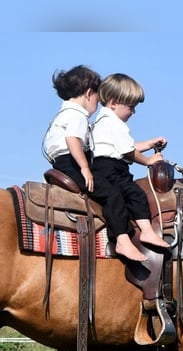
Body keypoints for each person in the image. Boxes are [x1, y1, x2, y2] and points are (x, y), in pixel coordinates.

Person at [90, 73, 170, 262]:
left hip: (106, 167)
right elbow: (127, 152)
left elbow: (125, 146)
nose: (133, 112)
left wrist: (150, 143)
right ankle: (135, 236)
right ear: (113, 103)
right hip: (111, 169)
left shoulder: (102, 122)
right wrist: (149, 161)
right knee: (131, 196)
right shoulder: (115, 124)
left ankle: (146, 232)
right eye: (131, 107)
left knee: (132, 195)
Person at [42, 65, 101, 193]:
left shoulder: (63, 113)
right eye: (98, 99)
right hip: (71, 162)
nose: (98, 105)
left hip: (59, 162)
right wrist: (85, 167)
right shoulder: (78, 114)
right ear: (89, 93)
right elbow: (72, 138)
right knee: (110, 193)